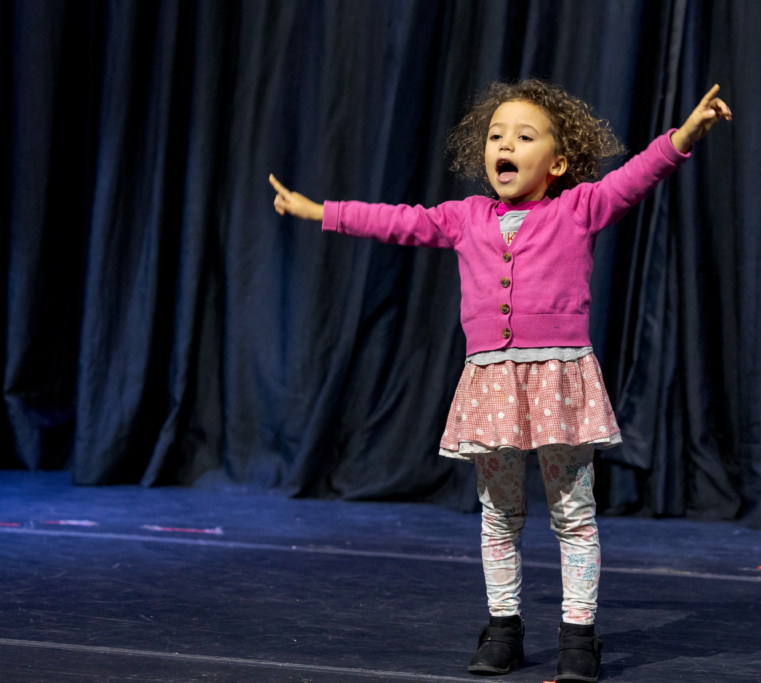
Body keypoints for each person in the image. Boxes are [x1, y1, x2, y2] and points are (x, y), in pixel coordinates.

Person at [270, 78, 731, 682]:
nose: (504, 144)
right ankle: (504, 629)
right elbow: (396, 222)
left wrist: (684, 136)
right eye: (495, 135)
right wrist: (320, 211)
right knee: (498, 514)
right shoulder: (466, 218)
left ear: (558, 161)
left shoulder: (578, 208)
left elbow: (635, 177)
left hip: (559, 379)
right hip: (491, 384)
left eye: (523, 135)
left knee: (574, 515)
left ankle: (578, 638)